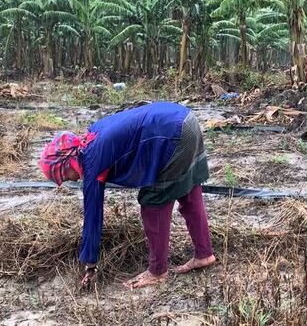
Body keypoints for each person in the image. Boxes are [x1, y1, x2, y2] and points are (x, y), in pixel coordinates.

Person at [38, 102, 216, 289]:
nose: (67, 180)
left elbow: (93, 217)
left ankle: (157, 271)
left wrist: (90, 264)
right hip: (186, 119)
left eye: (63, 176)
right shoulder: (92, 136)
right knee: (188, 190)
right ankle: (204, 254)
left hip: (171, 133)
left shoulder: (91, 163)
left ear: (68, 163)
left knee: (152, 201)